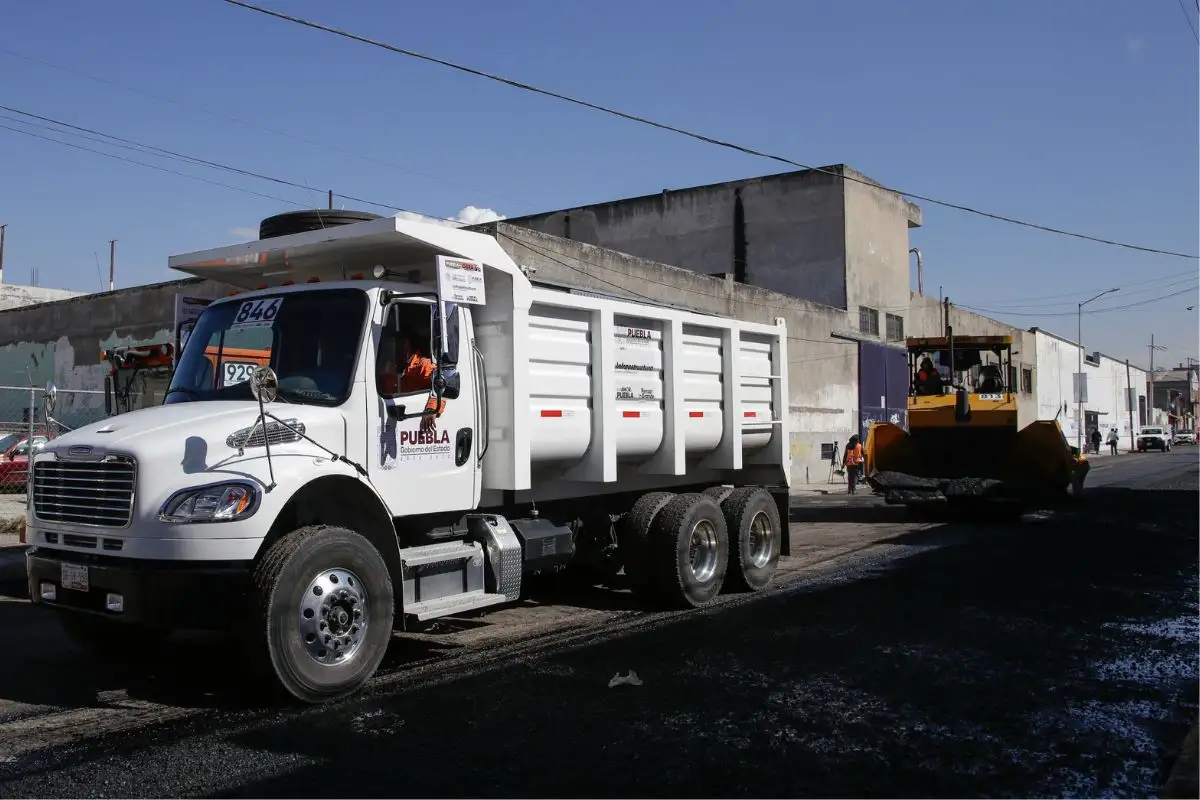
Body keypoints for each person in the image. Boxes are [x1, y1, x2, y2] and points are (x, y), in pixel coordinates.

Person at [377, 328, 445, 434]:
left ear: (406, 345)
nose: (391, 352)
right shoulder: (394, 368)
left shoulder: (424, 366)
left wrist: (431, 410)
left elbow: (442, 387)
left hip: (416, 427)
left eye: (393, 346)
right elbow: (384, 394)